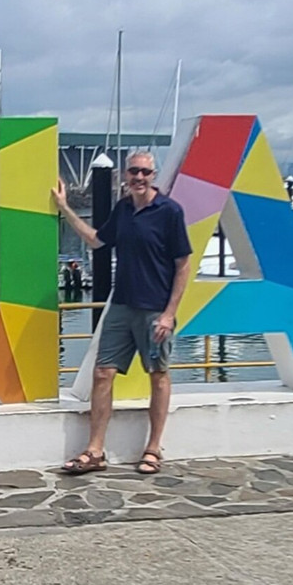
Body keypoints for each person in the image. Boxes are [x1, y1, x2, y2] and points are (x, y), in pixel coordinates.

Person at [51, 151, 191, 474]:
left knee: (157, 376)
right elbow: (98, 241)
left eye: (145, 172)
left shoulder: (169, 212)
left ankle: (153, 449)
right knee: (102, 374)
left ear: (153, 175)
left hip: (155, 309)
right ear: (125, 176)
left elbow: (183, 265)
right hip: (122, 306)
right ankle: (95, 450)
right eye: (134, 172)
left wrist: (169, 314)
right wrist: (65, 208)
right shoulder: (123, 209)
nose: (139, 178)